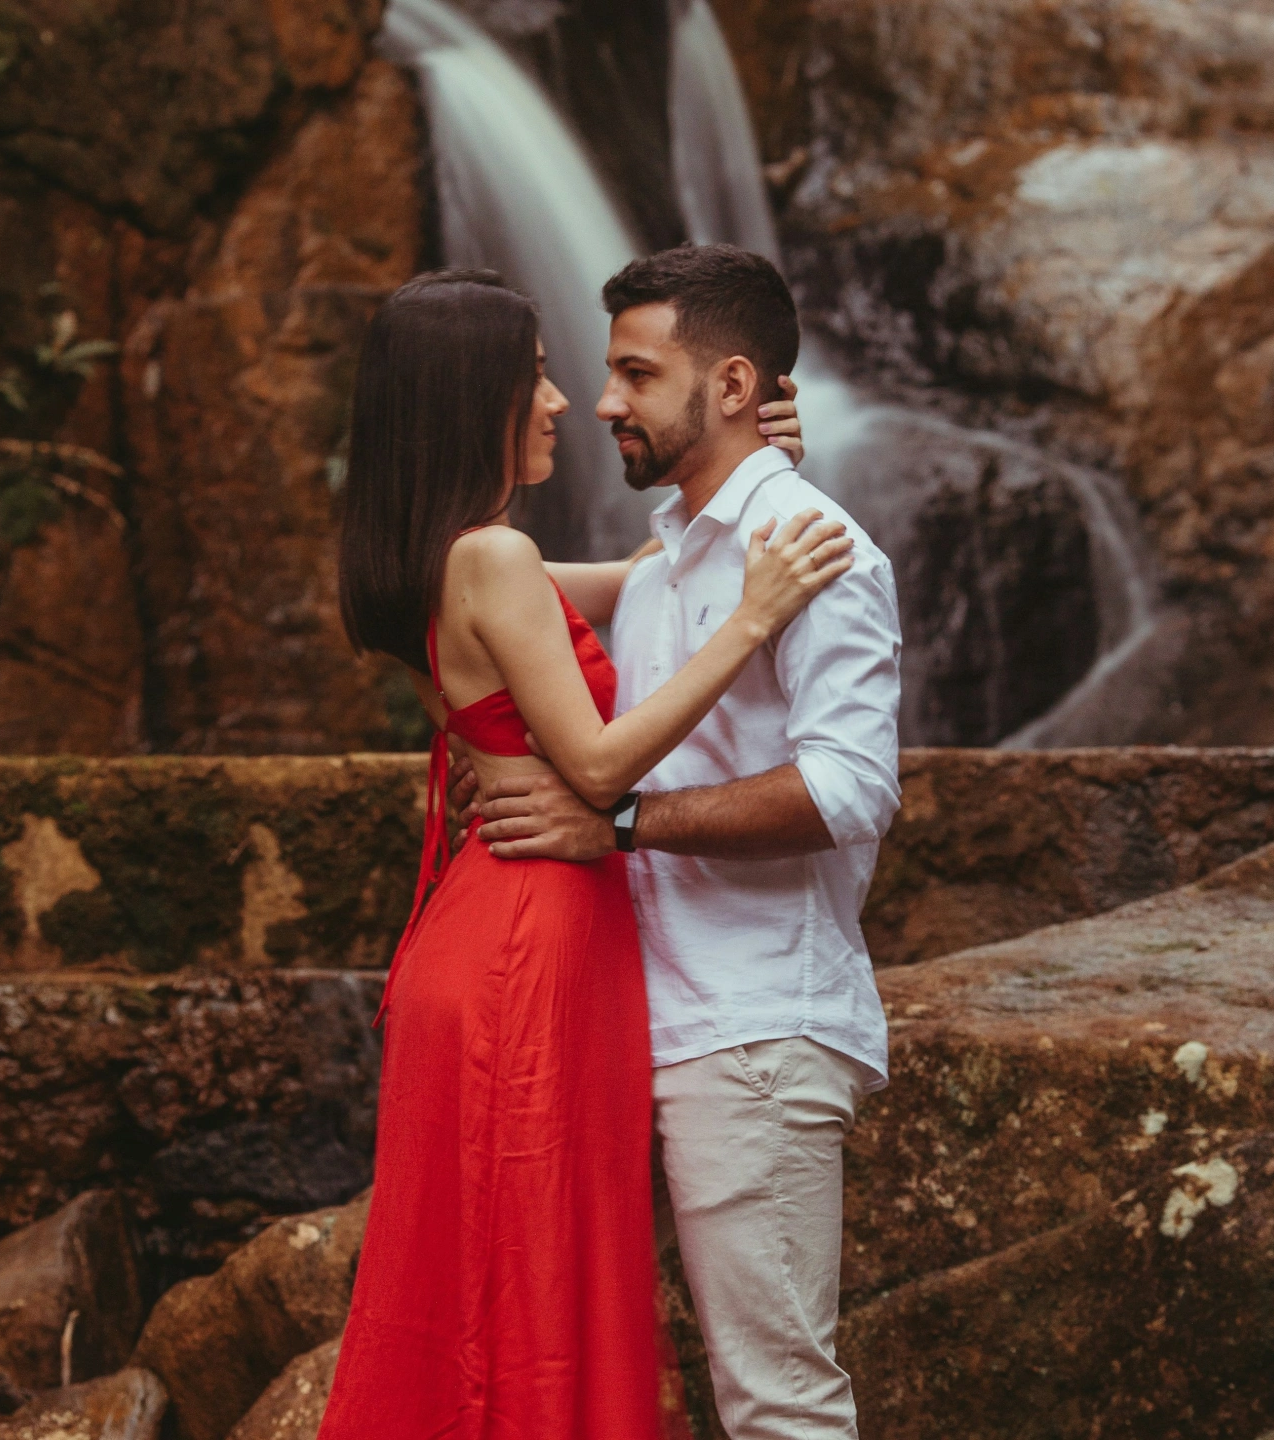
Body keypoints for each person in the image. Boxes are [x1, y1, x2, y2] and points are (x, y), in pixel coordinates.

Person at [317, 268, 853, 1440]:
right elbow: (602, 769)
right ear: (476, 403)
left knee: (489, 1278)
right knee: (532, 1278)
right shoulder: (493, 559)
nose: (565, 401)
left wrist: (754, 472)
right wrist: (753, 621)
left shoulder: (436, 562)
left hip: (490, 931)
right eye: (538, 378)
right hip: (528, 942)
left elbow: (659, 578)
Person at [458, 245, 903, 1439]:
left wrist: (621, 825)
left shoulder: (818, 554)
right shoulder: (670, 558)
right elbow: (464, 589)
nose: (605, 402)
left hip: (751, 1027)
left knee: (774, 1403)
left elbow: (848, 788)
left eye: (636, 375)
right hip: (636, 1015)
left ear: (730, 384)